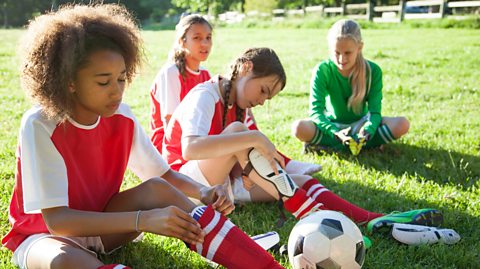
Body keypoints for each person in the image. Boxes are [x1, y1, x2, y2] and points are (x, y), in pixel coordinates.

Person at [2, 4, 284, 269]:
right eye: (104, 81)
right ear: (70, 82)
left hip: (104, 224)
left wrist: (203, 192)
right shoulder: (40, 125)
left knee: (155, 188)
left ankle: (223, 243)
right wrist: (143, 220)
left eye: (122, 78)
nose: (117, 91)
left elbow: (163, 177)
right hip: (43, 236)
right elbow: (58, 221)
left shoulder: (122, 117)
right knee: (62, 260)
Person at [162, 47, 443, 233]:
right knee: (239, 131)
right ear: (246, 68)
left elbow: (241, 156)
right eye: (263, 91)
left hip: (221, 186)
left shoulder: (239, 104)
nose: (261, 101)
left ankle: (371, 219)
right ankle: (307, 213)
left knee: (302, 182)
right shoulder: (205, 95)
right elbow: (190, 148)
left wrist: (256, 162)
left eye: (267, 97)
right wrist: (255, 138)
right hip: (185, 184)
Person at [149, 14, 321, 176]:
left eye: (208, 38)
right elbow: (169, 122)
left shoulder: (205, 74)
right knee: (242, 127)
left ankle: (277, 163)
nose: (204, 43)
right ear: (182, 41)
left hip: (201, 144)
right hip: (171, 150)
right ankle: (276, 164)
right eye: (197, 38)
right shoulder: (171, 73)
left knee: (243, 104)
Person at [291, 19, 410, 155]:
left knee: (402, 124)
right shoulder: (322, 70)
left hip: (361, 124)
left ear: (359, 48)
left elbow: (375, 112)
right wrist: (334, 132)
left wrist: (368, 130)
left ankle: (338, 145)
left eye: (348, 53)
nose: (342, 59)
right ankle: (363, 145)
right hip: (332, 125)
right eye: (337, 53)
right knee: (298, 128)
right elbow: (316, 113)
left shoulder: (373, 71)